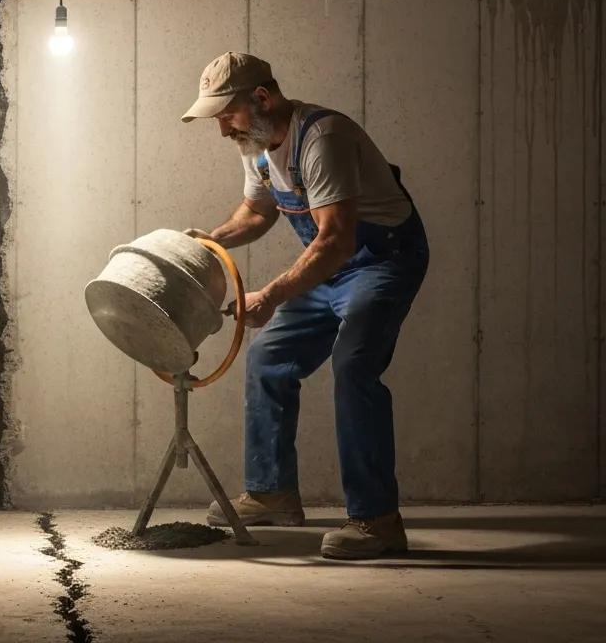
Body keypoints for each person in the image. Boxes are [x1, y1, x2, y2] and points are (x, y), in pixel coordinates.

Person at [181, 52, 429, 560]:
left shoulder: (323, 138)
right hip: (331, 263)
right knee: (268, 356)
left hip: (381, 260)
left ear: (263, 99)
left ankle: (377, 520)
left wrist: (270, 295)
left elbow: (335, 241)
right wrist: (209, 241)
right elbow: (256, 211)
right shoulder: (255, 145)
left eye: (227, 114)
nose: (223, 129)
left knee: (354, 367)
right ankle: (272, 492)